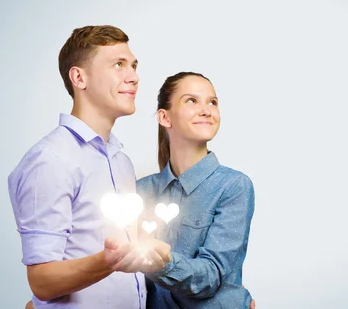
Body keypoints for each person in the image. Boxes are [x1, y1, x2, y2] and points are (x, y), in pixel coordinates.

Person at [8, 25, 169, 309]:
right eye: (118, 65)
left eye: (133, 66)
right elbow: (42, 282)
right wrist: (108, 261)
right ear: (79, 77)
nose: (133, 77)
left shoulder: (121, 162)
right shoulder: (51, 160)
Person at [105, 71, 256, 308]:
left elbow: (210, 276)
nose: (206, 109)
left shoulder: (234, 186)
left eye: (212, 102)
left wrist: (163, 263)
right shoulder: (140, 191)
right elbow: (118, 269)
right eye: (191, 100)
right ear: (165, 118)